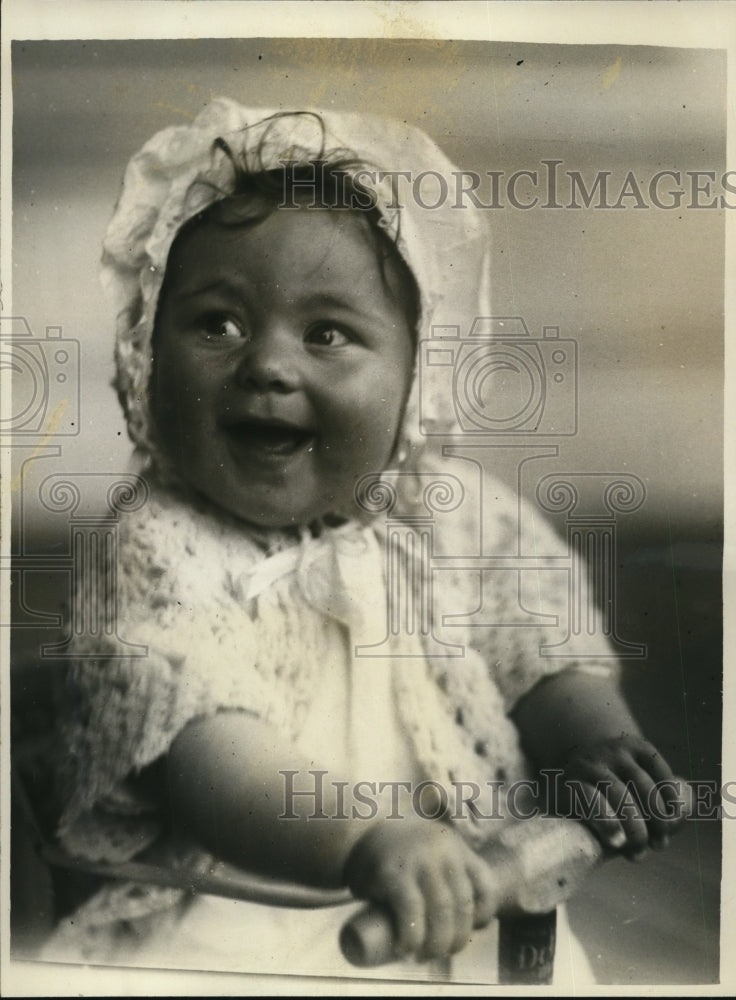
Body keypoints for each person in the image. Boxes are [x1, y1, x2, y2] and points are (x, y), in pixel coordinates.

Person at [39, 100, 683, 984]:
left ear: (416, 378)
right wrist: (363, 841)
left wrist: (592, 742)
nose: (267, 364)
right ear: (146, 355)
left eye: (328, 334)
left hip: (458, 896)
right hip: (243, 909)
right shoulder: (153, 546)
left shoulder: (445, 510)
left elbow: (537, 641)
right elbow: (209, 755)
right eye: (216, 324)